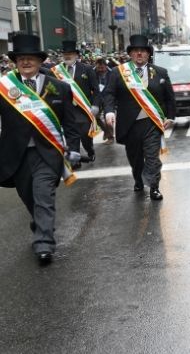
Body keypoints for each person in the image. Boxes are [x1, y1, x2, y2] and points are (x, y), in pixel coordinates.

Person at [0, 34, 77, 265]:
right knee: (28, 195)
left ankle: (44, 244)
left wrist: (73, 148)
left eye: (30, 58)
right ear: (15, 61)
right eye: (21, 58)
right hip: (17, 154)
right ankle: (39, 221)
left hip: (48, 153)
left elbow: (70, 123)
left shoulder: (60, 88)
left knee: (44, 194)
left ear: (40, 61)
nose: (25, 62)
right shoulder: (4, 88)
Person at [102, 35, 176, 200]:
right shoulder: (118, 73)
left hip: (152, 124)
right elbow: (109, 94)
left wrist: (170, 116)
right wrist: (108, 111)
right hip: (130, 125)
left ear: (148, 54)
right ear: (131, 54)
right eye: (136, 51)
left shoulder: (160, 72)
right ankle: (138, 179)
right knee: (135, 158)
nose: (140, 54)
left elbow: (169, 97)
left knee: (152, 157)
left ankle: (154, 187)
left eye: (143, 51)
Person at [51, 40, 100, 168]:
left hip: (83, 109)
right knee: (71, 134)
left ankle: (89, 149)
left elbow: (96, 89)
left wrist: (95, 105)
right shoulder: (56, 71)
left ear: (76, 55)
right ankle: (75, 160)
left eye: (70, 53)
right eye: (65, 53)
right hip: (66, 109)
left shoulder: (87, 69)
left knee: (84, 134)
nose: (67, 55)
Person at [94, 57, 115, 144]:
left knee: (108, 118)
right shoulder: (92, 72)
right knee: (95, 117)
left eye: (102, 68)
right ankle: (106, 131)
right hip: (97, 98)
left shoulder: (112, 72)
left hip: (108, 98)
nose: (100, 70)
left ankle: (110, 137)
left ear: (106, 66)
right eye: (98, 68)